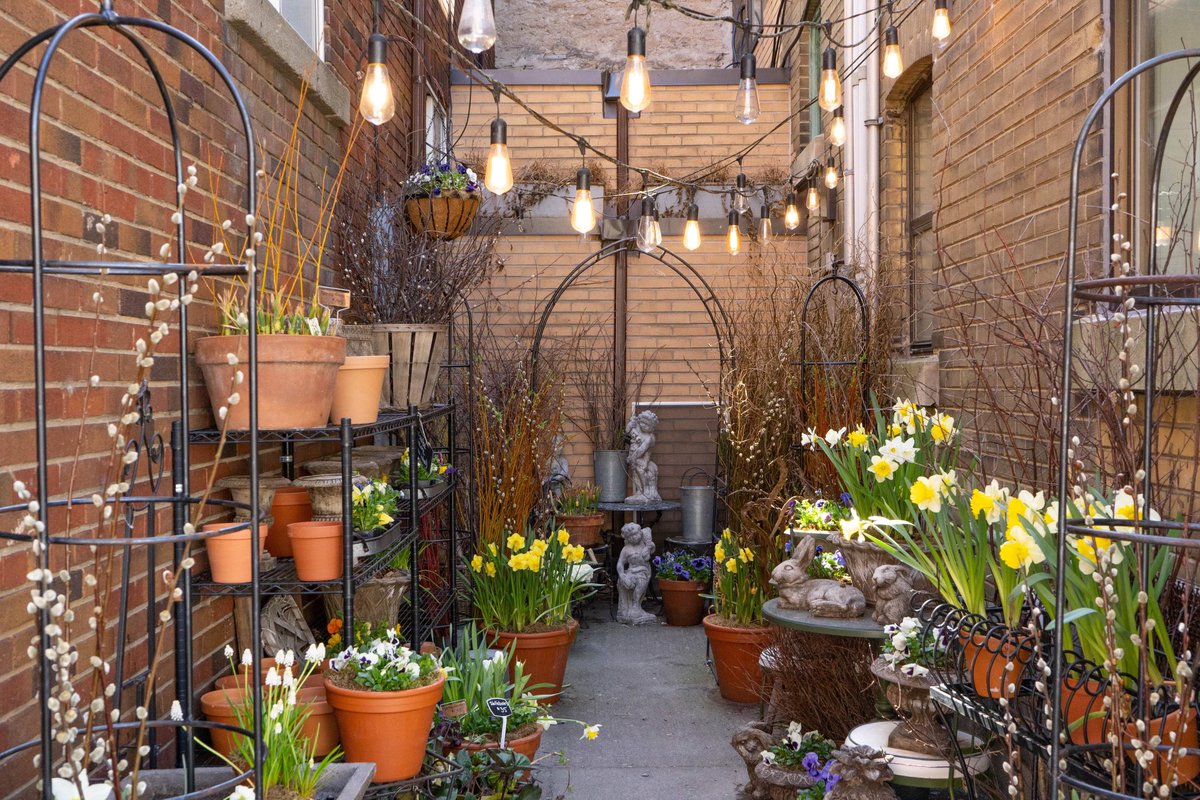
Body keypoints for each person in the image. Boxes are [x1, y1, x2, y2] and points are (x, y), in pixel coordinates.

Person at [616, 523, 657, 625]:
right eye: (630, 537)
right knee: (622, 582)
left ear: (640, 533)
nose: (634, 538)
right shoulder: (626, 549)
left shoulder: (645, 544)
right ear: (627, 539)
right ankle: (624, 611)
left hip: (643, 571)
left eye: (636, 534)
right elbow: (620, 563)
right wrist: (622, 575)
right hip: (631, 571)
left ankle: (636, 607)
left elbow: (651, 548)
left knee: (640, 581)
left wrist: (649, 546)